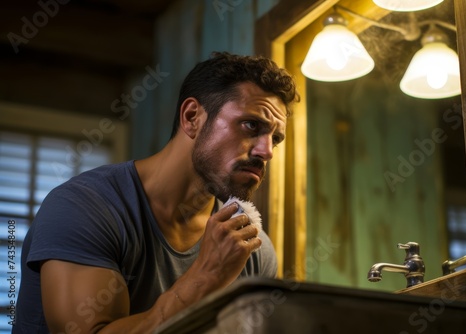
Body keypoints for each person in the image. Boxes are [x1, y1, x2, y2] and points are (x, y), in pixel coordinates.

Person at [13, 51, 299, 334]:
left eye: (275, 138)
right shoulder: (83, 207)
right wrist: (207, 276)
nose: (267, 151)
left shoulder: (253, 249)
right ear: (192, 117)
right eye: (251, 125)